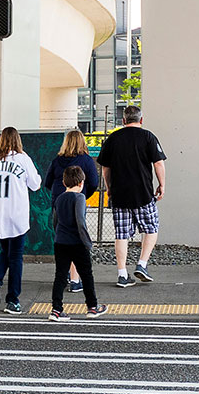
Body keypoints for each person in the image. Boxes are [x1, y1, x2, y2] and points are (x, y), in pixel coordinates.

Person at [97, 106, 167, 287]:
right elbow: (158, 163)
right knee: (151, 228)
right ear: (141, 120)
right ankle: (142, 264)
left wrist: (109, 187)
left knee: (121, 234)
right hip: (143, 193)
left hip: (119, 194)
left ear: (123, 120)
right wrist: (162, 185)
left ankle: (122, 274)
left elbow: (105, 168)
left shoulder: (112, 139)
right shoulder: (148, 137)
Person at [0, 127, 41, 314]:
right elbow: (36, 185)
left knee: (6, 250)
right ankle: (13, 300)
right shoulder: (23, 159)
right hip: (17, 215)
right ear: (18, 140)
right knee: (15, 257)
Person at [43, 129, 102, 295]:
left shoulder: (56, 161)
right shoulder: (86, 160)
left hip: (58, 202)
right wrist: (83, 195)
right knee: (76, 239)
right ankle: (75, 281)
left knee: (63, 237)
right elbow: (94, 182)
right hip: (76, 202)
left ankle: (67, 276)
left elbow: (47, 182)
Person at [50, 166, 109, 321]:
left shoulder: (59, 198)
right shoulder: (80, 198)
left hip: (60, 242)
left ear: (64, 182)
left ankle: (56, 310)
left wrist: (59, 235)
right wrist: (87, 243)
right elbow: (80, 222)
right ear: (82, 183)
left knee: (60, 276)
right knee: (86, 275)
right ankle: (92, 307)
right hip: (77, 243)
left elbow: (55, 221)